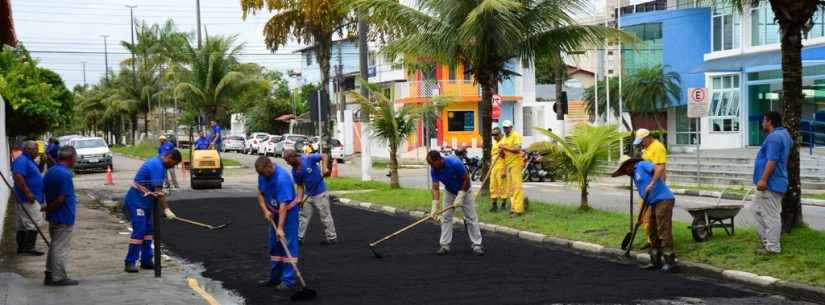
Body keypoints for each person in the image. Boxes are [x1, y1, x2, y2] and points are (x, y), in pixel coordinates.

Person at [612, 157, 676, 272]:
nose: (626, 173)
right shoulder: (634, 176)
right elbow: (645, 198)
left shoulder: (641, 165)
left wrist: (651, 184)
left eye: (625, 170)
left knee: (663, 230)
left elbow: (659, 169)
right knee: (652, 231)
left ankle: (670, 263)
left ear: (629, 165)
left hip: (664, 200)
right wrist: (640, 218)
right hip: (652, 202)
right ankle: (655, 261)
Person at [123, 149, 181, 273]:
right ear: (169, 157)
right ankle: (130, 262)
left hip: (146, 202)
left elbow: (156, 191)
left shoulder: (158, 164)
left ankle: (146, 260)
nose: (173, 166)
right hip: (136, 201)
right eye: (174, 163)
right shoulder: (157, 166)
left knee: (148, 231)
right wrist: (166, 209)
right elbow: (158, 191)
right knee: (140, 230)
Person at [254, 157, 300, 291]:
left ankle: (288, 280)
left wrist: (280, 228)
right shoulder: (263, 175)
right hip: (273, 212)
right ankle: (275, 278)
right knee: (274, 246)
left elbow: (283, 206)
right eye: (260, 174)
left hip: (288, 213)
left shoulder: (282, 179)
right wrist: (265, 210)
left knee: (288, 245)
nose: (262, 176)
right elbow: (260, 194)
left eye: (263, 173)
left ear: (269, 166)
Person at [427, 150, 484, 256]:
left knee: (471, 218)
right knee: (446, 217)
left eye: (432, 164)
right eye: (430, 164)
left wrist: (461, 195)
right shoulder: (434, 169)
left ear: (439, 159)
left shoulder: (455, 163)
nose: (431, 166)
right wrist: (435, 205)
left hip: (465, 191)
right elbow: (435, 188)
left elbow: (466, 180)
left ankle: (477, 245)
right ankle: (444, 245)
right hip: (449, 192)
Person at [752, 111, 791, 256]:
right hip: (775, 181)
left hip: (770, 183)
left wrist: (763, 179)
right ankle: (767, 242)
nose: (762, 123)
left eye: (763, 121)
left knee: (771, 216)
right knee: (755, 210)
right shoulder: (784, 135)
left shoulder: (774, 137)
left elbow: (772, 160)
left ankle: (773, 248)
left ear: (769, 121)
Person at [42, 146, 79, 286]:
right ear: (70, 158)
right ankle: (58, 277)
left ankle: (50, 273)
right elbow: (61, 199)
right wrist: (48, 207)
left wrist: (48, 209)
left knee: (54, 245)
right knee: (60, 247)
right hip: (63, 216)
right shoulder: (65, 174)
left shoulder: (51, 171)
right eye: (75, 157)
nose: (76, 160)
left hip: (54, 216)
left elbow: (45, 190)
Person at [284, 149, 338, 245]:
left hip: (320, 192)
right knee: (303, 216)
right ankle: (299, 238)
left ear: (294, 157)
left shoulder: (308, 158)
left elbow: (324, 156)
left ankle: (332, 238)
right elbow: (300, 185)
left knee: (325, 215)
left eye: (288, 160)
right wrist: (299, 199)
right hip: (308, 194)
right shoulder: (295, 171)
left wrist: (325, 168)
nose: (287, 163)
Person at [634, 128, 667, 249]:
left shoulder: (658, 147)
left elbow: (661, 168)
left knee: (654, 215)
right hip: (646, 186)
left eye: (642, 141)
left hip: (654, 186)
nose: (641, 143)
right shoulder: (647, 148)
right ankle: (650, 239)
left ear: (647, 137)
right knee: (644, 214)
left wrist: (656, 185)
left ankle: (658, 241)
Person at [12, 141, 45, 256]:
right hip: (28, 198)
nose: (37, 151)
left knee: (22, 224)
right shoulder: (21, 160)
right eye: (35, 149)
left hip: (29, 197)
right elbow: (17, 176)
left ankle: (22, 248)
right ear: (27, 150)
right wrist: (27, 192)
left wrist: (42, 163)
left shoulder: (29, 161)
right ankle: (30, 248)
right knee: (33, 222)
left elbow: (37, 172)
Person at [498, 120, 525, 217]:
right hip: (508, 165)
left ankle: (518, 210)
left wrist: (504, 148)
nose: (505, 129)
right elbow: (503, 155)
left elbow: (517, 149)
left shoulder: (515, 136)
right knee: (510, 189)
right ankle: (513, 208)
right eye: (504, 127)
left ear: (511, 127)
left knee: (517, 187)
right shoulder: (504, 138)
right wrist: (501, 153)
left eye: (507, 127)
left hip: (516, 164)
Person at [489, 127, 507, 212]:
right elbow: (492, 155)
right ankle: (494, 205)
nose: (494, 137)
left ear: (500, 134)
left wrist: (505, 170)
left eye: (496, 135)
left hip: (501, 166)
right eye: (493, 135)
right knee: (493, 186)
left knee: (502, 186)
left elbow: (507, 157)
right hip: (494, 167)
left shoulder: (505, 142)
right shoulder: (495, 143)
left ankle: (503, 204)